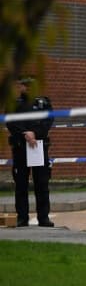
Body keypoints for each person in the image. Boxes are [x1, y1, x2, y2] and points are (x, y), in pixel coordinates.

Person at [6, 77, 54, 227]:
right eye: (24, 86)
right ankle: (22, 217)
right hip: (21, 147)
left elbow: (48, 121)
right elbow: (11, 122)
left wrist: (35, 133)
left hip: (39, 147)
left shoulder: (43, 103)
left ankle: (43, 217)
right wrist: (25, 134)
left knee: (42, 183)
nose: (26, 88)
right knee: (21, 184)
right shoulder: (14, 104)